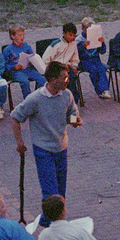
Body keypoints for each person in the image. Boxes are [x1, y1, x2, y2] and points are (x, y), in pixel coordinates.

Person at [10, 61, 82, 200]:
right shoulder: (35, 99)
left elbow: (70, 115)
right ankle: (49, 214)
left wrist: (75, 121)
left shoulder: (67, 95)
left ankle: (57, 214)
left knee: (61, 192)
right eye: (64, 77)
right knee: (51, 194)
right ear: (53, 80)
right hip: (43, 150)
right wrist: (19, 143)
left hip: (61, 148)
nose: (68, 80)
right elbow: (15, 117)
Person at [3, 24, 47, 98]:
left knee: (42, 79)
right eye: (20, 35)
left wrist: (33, 62)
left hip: (29, 69)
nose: (22, 37)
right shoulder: (7, 50)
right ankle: (28, 100)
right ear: (13, 36)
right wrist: (14, 67)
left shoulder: (27, 47)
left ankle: (40, 98)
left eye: (23, 35)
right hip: (17, 71)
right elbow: (4, 65)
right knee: (25, 82)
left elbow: (32, 57)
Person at [41, 23, 82, 103]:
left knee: (71, 78)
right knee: (61, 79)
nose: (72, 37)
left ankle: (73, 100)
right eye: (70, 35)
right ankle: (61, 99)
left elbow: (75, 59)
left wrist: (74, 66)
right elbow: (46, 59)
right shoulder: (56, 44)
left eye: (74, 35)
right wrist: (51, 68)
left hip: (67, 67)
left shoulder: (74, 45)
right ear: (63, 33)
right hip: (56, 67)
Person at [78, 17, 112, 100]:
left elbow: (102, 51)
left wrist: (102, 43)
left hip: (95, 59)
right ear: (83, 29)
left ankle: (105, 90)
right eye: (87, 29)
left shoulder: (96, 36)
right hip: (84, 60)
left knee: (101, 68)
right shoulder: (79, 39)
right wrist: (82, 46)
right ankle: (100, 91)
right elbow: (75, 53)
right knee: (93, 70)